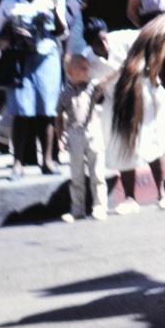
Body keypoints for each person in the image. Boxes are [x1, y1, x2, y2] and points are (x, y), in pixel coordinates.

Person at [83, 17, 165, 212]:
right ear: (91, 44)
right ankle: (130, 198)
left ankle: (163, 193)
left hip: (141, 95)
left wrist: (151, 69)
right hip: (114, 104)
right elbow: (88, 85)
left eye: (104, 38)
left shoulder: (124, 38)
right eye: (99, 42)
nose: (104, 43)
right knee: (121, 148)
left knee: (151, 144)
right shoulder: (87, 58)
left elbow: (152, 42)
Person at [0, 0, 66, 179]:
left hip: (47, 57)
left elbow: (62, 32)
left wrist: (56, 12)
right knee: (22, 111)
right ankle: (18, 163)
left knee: (47, 111)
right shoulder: (10, 2)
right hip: (21, 59)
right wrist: (13, 31)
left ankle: (48, 160)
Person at [56, 54, 109, 221]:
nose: (87, 71)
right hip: (74, 134)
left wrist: (119, 70)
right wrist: (60, 137)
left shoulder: (92, 87)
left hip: (93, 131)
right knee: (76, 174)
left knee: (97, 172)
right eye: (83, 68)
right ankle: (77, 209)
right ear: (71, 72)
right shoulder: (65, 93)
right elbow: (58, 115)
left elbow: (105, 82)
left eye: (88, 67)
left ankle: (100, 206)